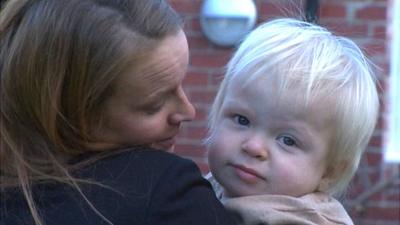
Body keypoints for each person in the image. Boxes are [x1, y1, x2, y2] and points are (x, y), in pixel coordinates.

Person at [0, 0, 236, 225]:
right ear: (72, 114)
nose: (188, 111)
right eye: (153, 106)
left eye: (181, 83)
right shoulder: (165, 192)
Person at [205, 18, 379, 225]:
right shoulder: (206, 188)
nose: (253, 147)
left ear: (330, 172)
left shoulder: (295, 220)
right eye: (242, 120)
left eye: (287, 140)